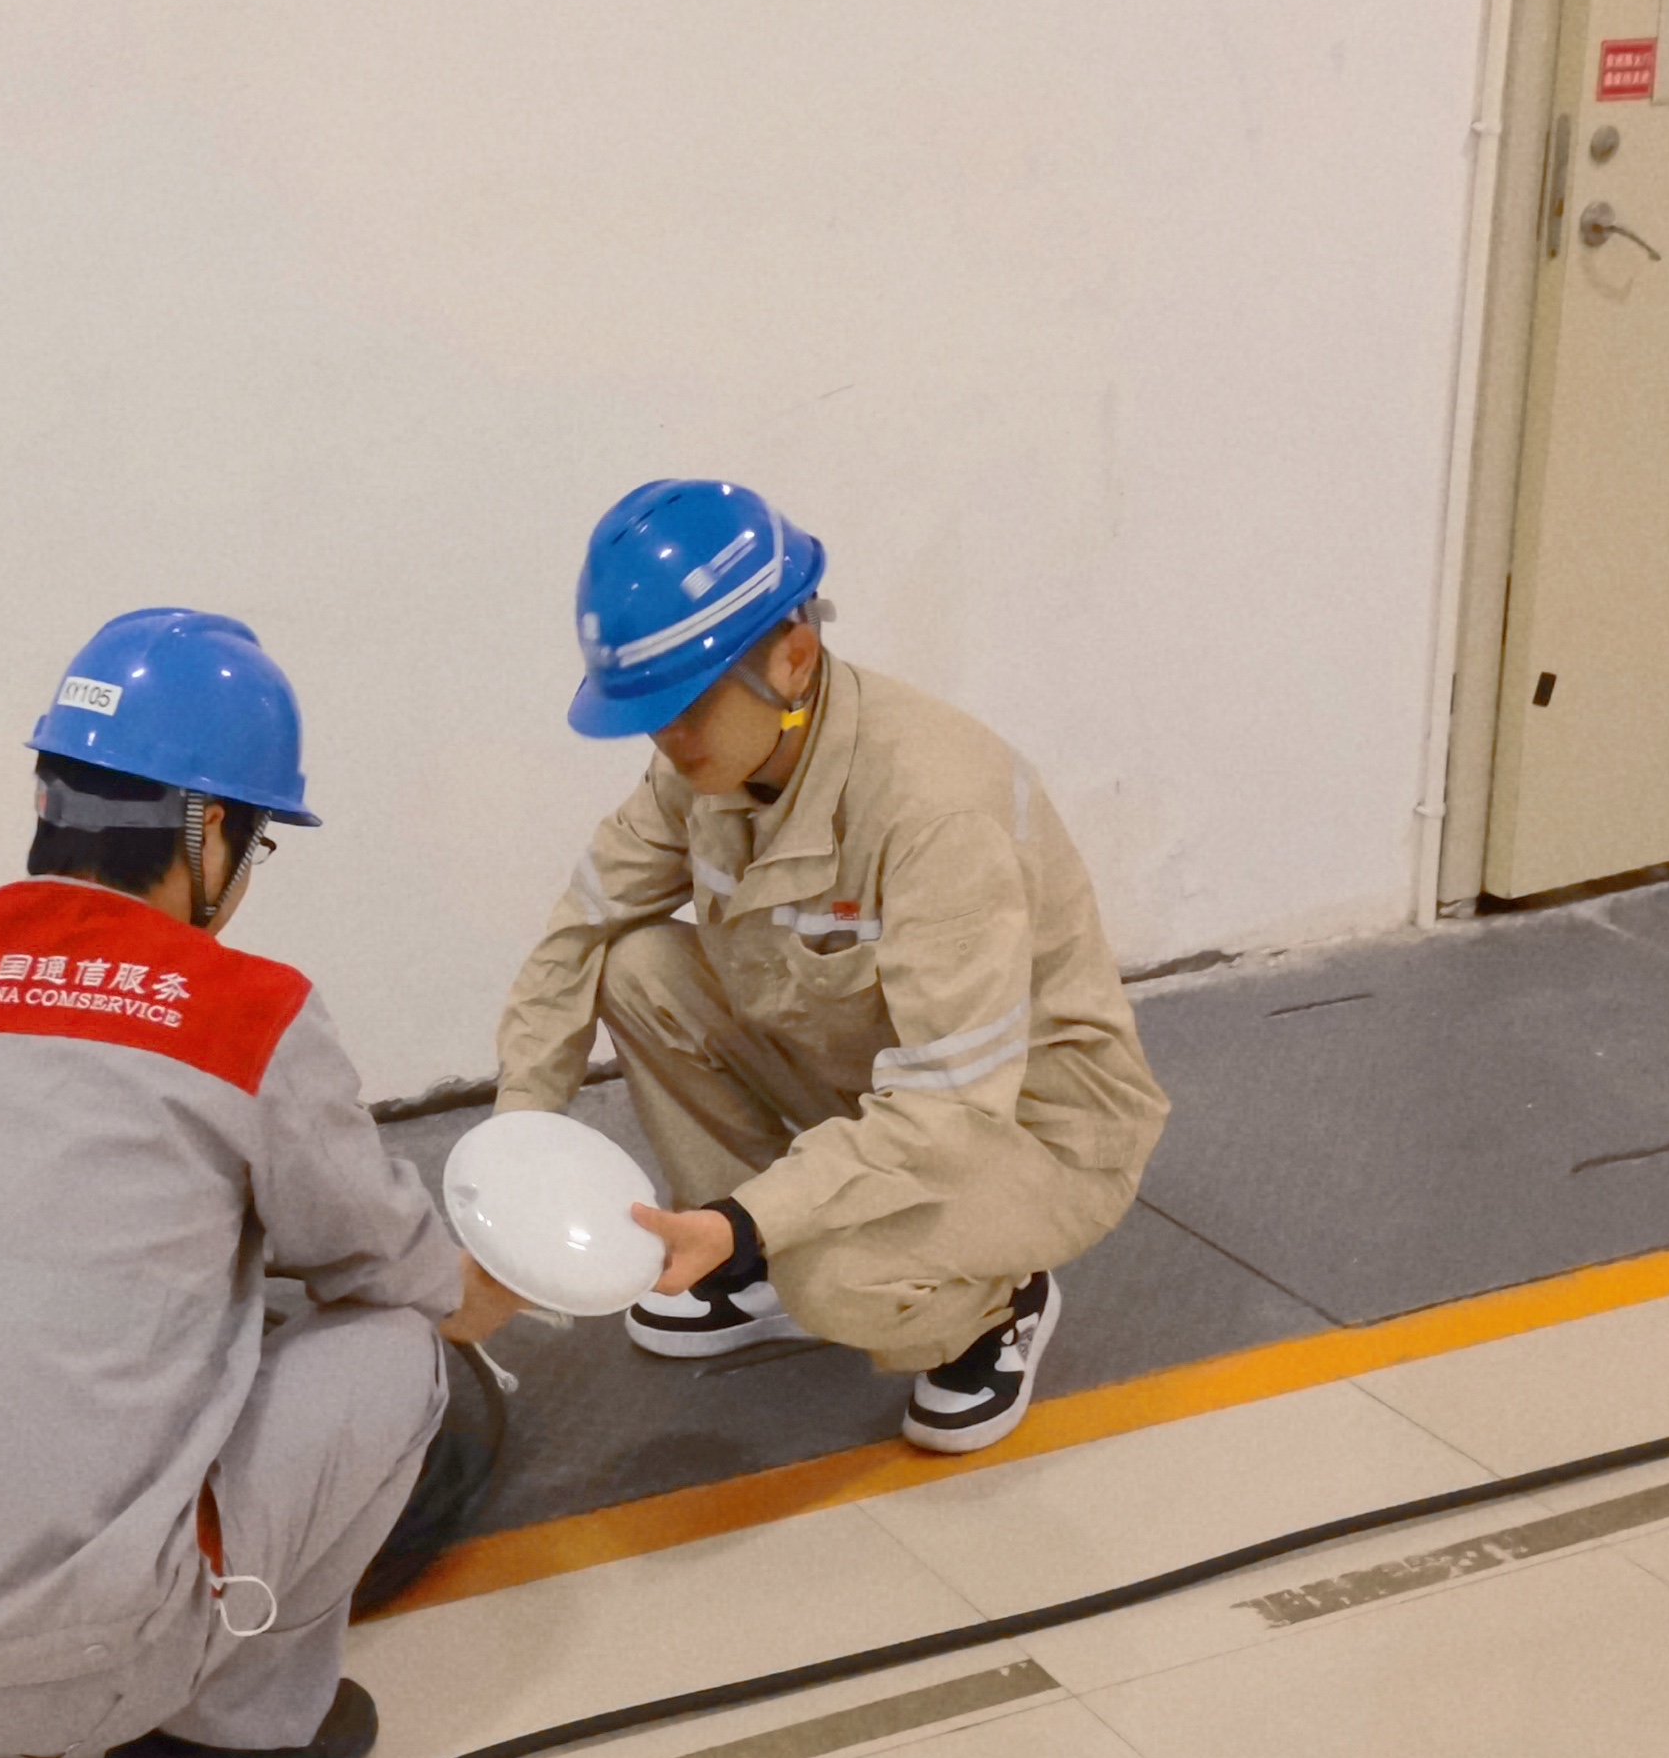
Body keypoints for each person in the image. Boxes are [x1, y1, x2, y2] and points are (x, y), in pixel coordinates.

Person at [0, 609, 521, 1758]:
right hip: (83, 1662)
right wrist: (486, 1287)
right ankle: (215, 1751)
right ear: (210, 829)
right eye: (255, 841)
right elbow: (382, 1264)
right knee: (396, 1350)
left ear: (51, 796)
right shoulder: (245, 1012)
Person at [492, 481, 1170, 1454]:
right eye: (647, 711)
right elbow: (582, 929)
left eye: (685, 703)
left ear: (793, 656)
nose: (666, 738)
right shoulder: (704, 764)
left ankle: (994, 1306)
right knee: (635, 965)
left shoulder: (934, 808)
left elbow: (949, 1104)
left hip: (1020, 1126)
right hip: (869, 1074)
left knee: (833, 1277)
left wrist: (752, 1217)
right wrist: (518, 1144)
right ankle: (750, 1259)